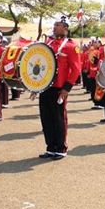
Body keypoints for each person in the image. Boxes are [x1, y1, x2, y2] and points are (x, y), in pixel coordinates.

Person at [38, 16, 81, 159]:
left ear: (65, 28)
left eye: (58, 25)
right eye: (55, 24)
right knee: (46, 118)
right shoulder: (48, 43)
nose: (55, 27)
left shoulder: (71, 46)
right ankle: (51, 147)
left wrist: (66, 89)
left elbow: (76, 70)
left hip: (59, 88)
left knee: (58, 118)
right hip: (45, 86)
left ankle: (61, 148)